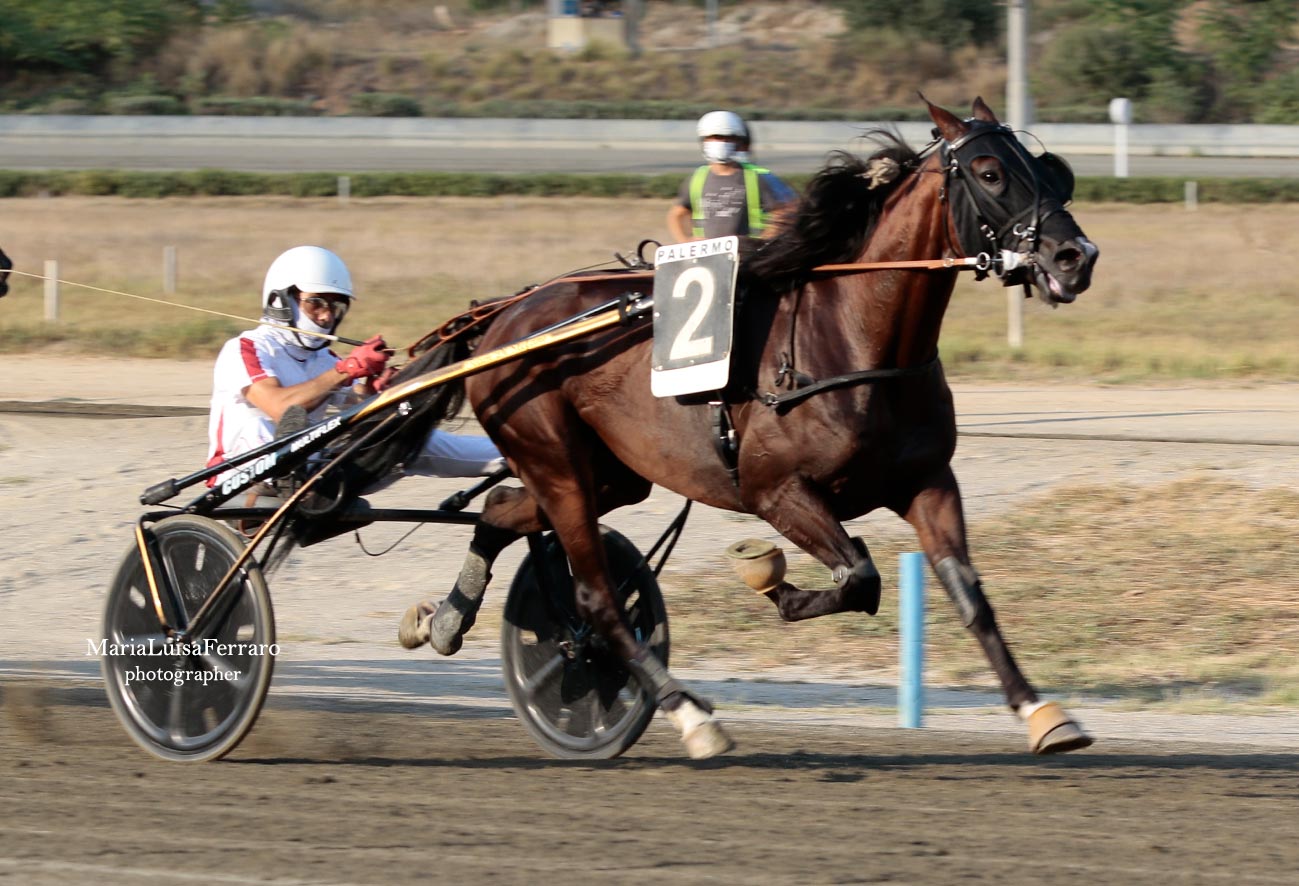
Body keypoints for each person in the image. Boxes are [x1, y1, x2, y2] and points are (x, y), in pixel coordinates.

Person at [207, 245, 502, 488]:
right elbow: (280, 408)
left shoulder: (326, 360)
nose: (326, 317)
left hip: (310, 471)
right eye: (317, 304)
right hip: (237, 475)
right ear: (282, 301)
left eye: (335, 307)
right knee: (259, 424)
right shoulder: (245, 348)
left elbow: (359, 412)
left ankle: (517, 456)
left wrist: (374, 391)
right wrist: (347, 370)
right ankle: (285, 479)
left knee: (403, 437)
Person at [666, 110, 797, 243]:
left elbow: (785, 213)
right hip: (706, 259)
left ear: (738, 142)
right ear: (704, 141)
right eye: (714, 137)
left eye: (728, 137)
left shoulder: (757, 178)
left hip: (747, 258)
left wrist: (763, 244)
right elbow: (676, 214)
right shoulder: (697, 178)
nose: (721, 142)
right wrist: (685, 241)